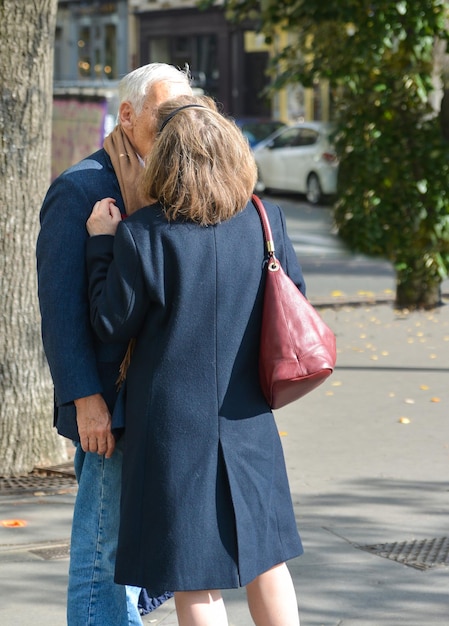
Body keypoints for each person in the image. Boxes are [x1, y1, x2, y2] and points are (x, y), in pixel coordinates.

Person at [84, 94, 305, 626]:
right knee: (266, 561)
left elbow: (111, 323)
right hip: (248, 418)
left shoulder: (144, 235)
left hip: (170, 431)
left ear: (166, 161)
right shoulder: (263, 218)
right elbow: (291, 295)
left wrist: (101, 244)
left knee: (195, 576)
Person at [36, 63, 193, 626]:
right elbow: (61, 312)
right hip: (109, 403)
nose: (181, 123)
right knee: (104, 548)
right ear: (128, 116)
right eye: (167, 112)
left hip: (158, 401)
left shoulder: (175, 179)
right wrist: (86, 401)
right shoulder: (81, 187)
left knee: (136, 550)